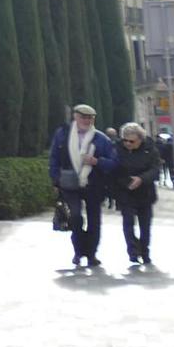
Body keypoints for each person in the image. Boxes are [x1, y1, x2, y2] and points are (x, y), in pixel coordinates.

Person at [49, 104, 117, 267]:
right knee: (76, 217)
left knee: (94, 220)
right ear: (75, 117)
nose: (86, 120)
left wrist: (96, 161)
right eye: (83, 117)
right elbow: (54, 158)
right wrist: (55, 180)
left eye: (90, 118)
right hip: (69, 184)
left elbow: (114, 163)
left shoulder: (101, 139)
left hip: (94, 184)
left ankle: (92, 254)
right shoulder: (63, 134)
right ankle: (78, 251)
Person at [111, 123, 159, 266]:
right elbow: (114, 169)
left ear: (140, 139)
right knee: (128, 222)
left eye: (131, 141)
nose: (127, 144)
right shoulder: (117, 149)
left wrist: (142, 179)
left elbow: (155, 169)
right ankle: (132, 250)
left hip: (145, 192)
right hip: (126, 191)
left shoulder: (150, 149)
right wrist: (125, 182)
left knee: (145, 225)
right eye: (125, 140)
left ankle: (145, 251)